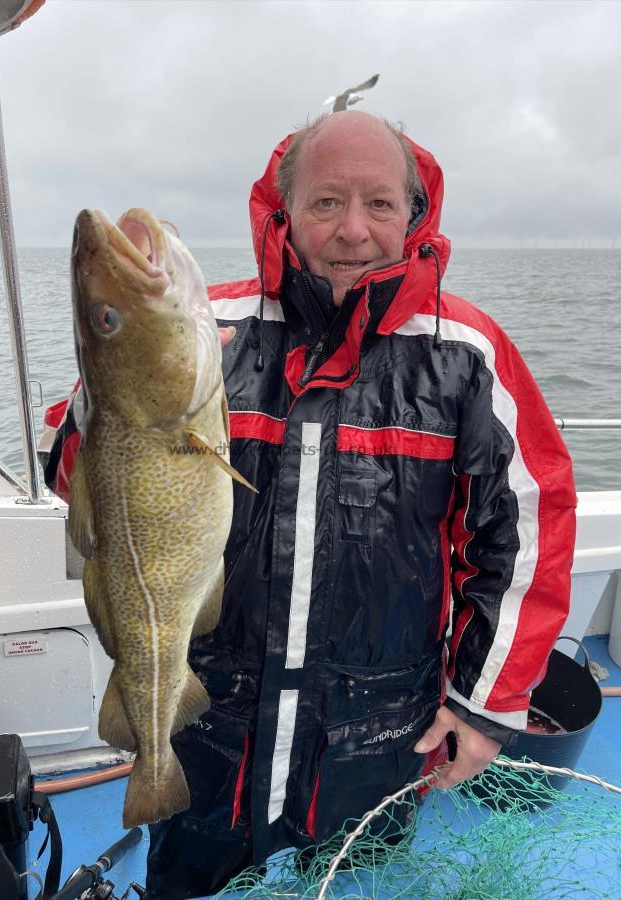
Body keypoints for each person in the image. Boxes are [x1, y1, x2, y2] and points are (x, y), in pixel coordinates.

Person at [42, 111, 577, 899]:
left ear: (415, 213)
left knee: (354, 882)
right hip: (215, 727)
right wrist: (111, 394)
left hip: (378, 733)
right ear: (282, 209)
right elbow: (68, 466)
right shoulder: (212, 331)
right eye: (326, 202)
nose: (353, 231)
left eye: (380, 205)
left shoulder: (466, 353)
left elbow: (526, 532)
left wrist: (483, 707)